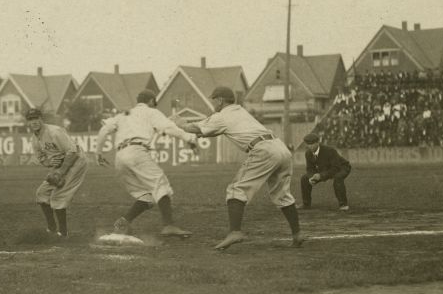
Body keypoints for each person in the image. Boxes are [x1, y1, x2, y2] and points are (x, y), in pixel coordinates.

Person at [174, 86, 303, 250]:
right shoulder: (239, 111)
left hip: (263, 150)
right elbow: (208, 131)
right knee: (282, 194)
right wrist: (191, 129)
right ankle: (297, 233)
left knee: (236, 190)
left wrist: (179, 122)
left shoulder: (222, 115)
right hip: (281, 148)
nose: (213, 103)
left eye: (213, 99)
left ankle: (235, 232)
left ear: (220, 100)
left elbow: (196, 128)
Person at [95, 90, 197, 238]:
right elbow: (168, 128)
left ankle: (123, 223)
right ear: (151, 101)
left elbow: (104, 130)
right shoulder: (151, 112)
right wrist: (190, 138)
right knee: (161, 185)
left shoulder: (124, 115)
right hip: (136, 151)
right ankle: (168, 225)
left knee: (146, 196)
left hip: (120, 157)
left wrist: (98, 153)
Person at [27, 108, 88, 237]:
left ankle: (63, 233)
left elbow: (72, 152)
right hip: (61, 165)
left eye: (36, 118)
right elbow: (42, 159)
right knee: (42, 194)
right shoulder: (34, 139)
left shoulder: (54, 132)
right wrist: (49, 163)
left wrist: (60, 172)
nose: (34, 122)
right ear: (28, 122)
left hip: (76, 162)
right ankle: (52, 229)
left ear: (41, 119)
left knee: (58, 196)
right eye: (31, 119)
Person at [299, 133, 352, 211]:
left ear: (318, 143)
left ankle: (343, 204)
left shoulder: (330, 150)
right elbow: (310, 169)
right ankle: (306, 204)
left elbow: (335, 168)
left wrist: (321, 175)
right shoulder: (308, 153)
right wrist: (311, 177)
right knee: (304, 178)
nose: (310, 146)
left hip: (341, 167)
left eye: (312, 144)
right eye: (308, 144)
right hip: (324, 169)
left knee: (338, 178)